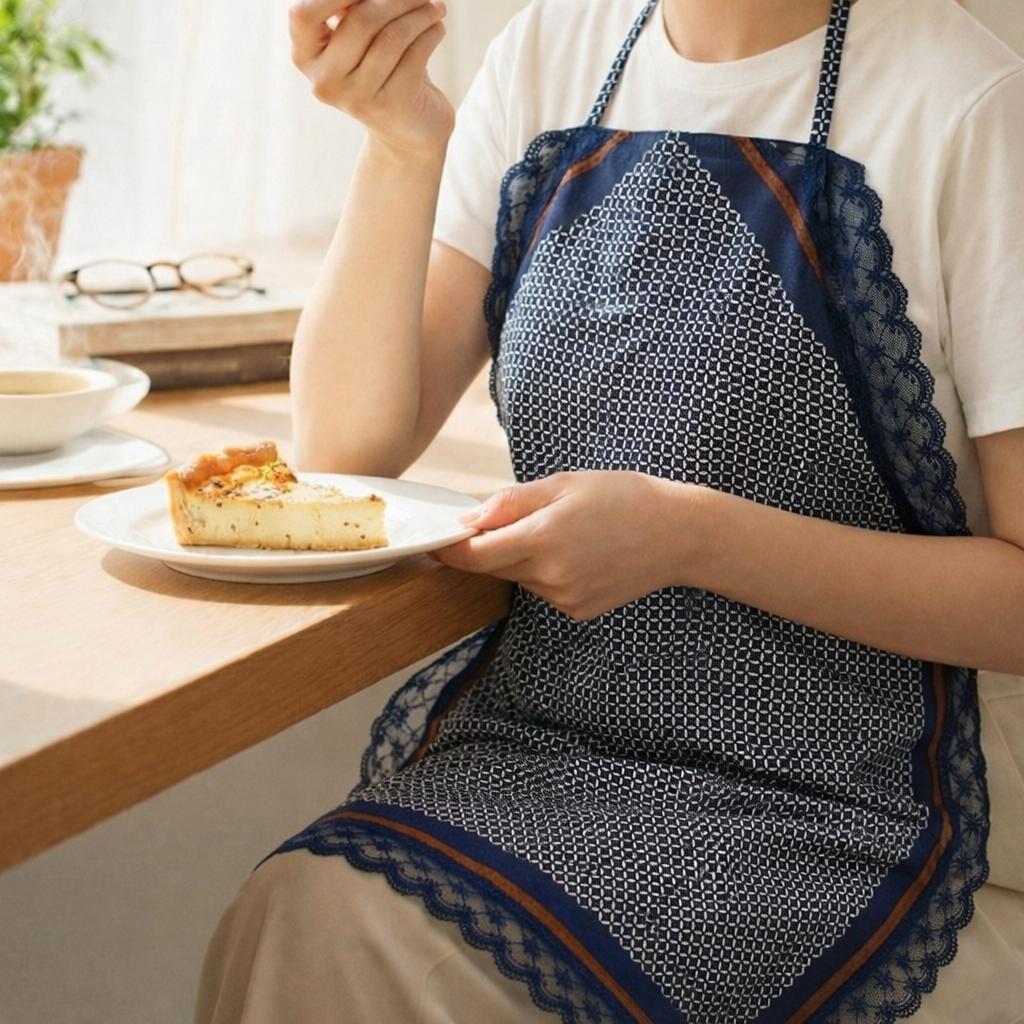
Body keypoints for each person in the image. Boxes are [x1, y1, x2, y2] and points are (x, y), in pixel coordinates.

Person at [196, 0, 1024, 1021]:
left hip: (880, 792)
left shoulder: (972, 103)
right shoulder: (552, 50)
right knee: (312, 909)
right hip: (563, 741)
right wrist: (401, 146)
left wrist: (691, 537)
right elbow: (344, 452)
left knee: (342, 930)